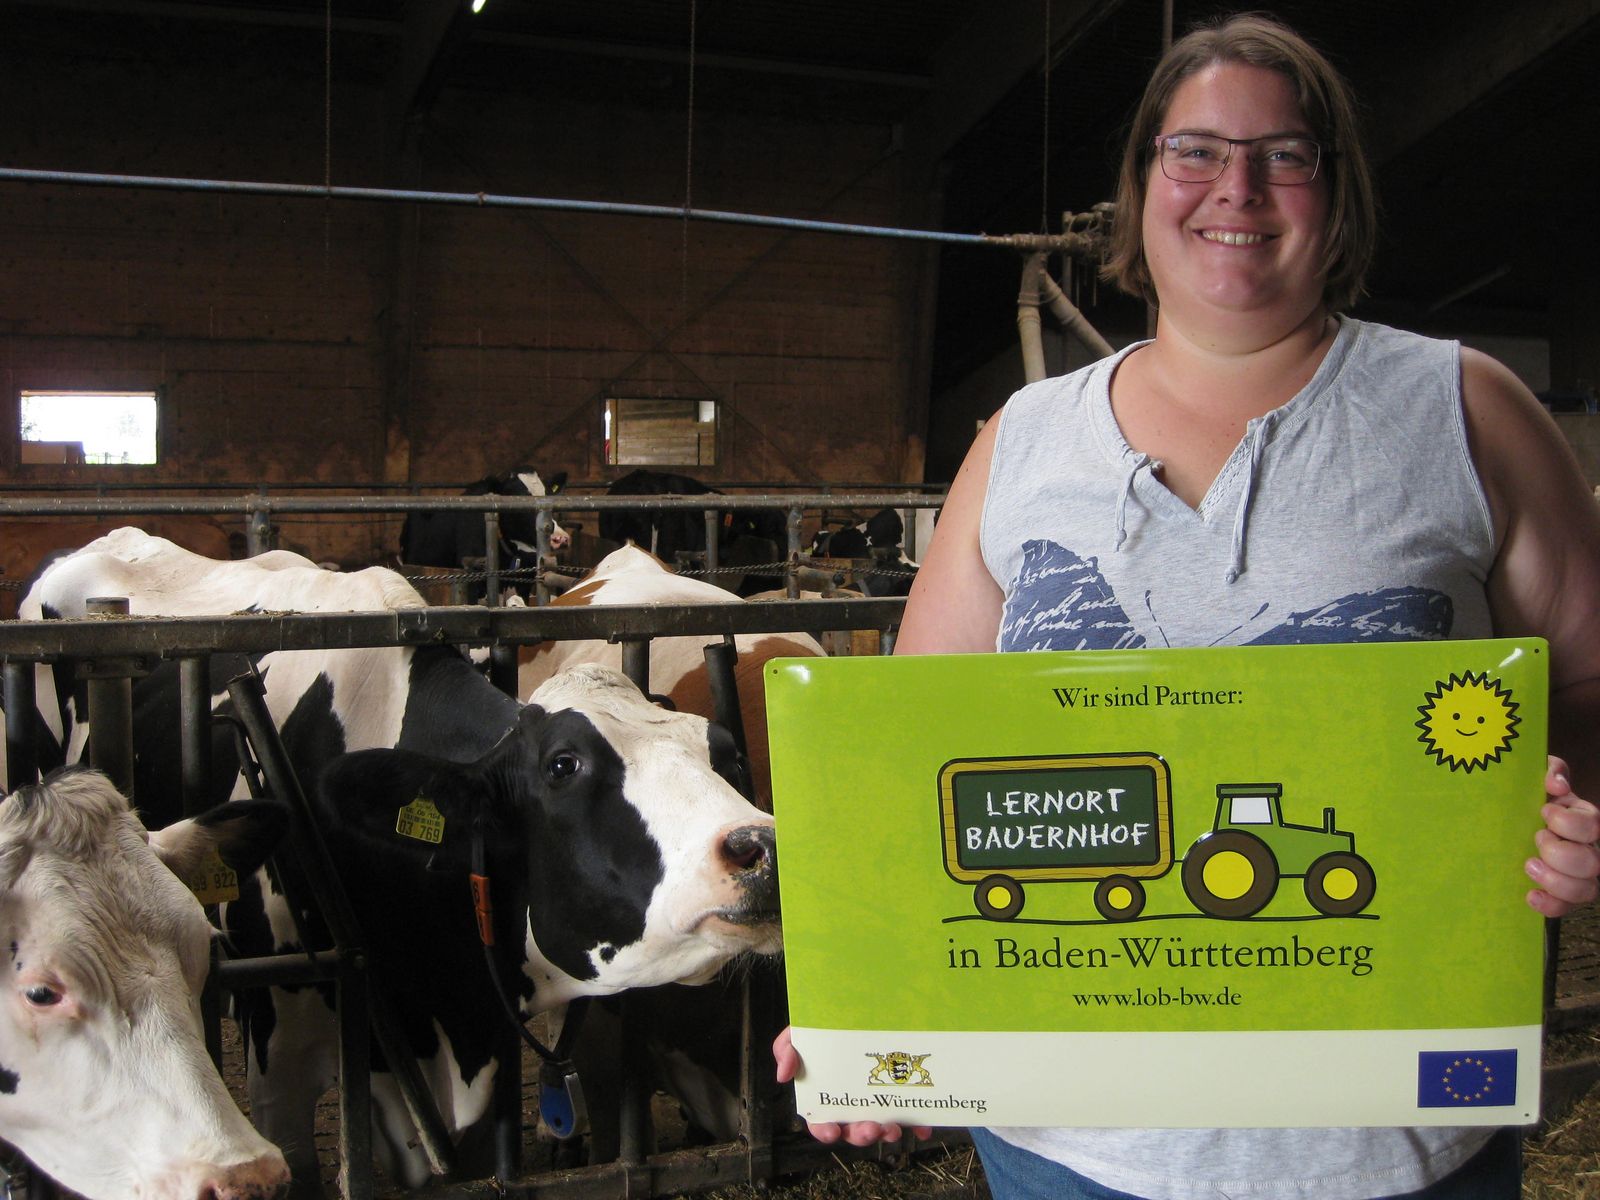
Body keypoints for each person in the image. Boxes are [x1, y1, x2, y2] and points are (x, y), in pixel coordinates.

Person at [774, 12, 1600, 1199]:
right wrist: (863, 1014)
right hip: (1073, 1149)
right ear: (1142, 183)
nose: (1237, 188)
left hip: (1394, 1139)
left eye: (1285, 153)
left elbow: (1586, 689)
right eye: (1195, 150)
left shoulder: (1464, 408)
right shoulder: (1020, 443)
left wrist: (1570, 819)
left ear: (1336, 189)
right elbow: (906, 765)